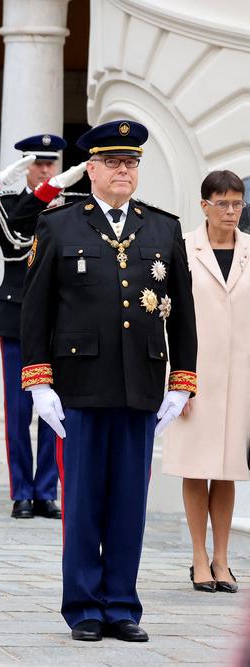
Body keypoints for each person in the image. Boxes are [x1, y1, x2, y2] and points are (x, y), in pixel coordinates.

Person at [21, 119, 197, 642]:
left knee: (128, 502)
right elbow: (36, 311)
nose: (124, 171)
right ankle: (83, 607)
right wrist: (39, 382)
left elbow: (183, 312)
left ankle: (121, 604)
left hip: (141, 383)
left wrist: (182, 380)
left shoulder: (163, 228)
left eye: (132, 163)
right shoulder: (60, 225)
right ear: (91, 168)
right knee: (82, 501)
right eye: (114, 162)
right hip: (79, 384)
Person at [0, 135, 87, 519]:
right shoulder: (7, 206)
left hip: (61, 318)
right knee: (17, 408)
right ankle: (21, 491)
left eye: (51, 164)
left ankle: (46, 490)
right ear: (26, 168)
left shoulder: (71, 205)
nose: (46, 170)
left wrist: (57, 191)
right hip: (17, 314)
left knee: (54, 408)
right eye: (38, 164)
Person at [163, 170, 250, 594]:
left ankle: (222, 559)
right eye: (224, 203)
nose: (232, 211)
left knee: (229, 469)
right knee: (196, 468)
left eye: (238, 203)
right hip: (194, 373)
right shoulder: (182, 251)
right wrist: (179, 380)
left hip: (241, 378)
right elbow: (170, 320)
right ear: (204, 205)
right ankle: (198, 558)